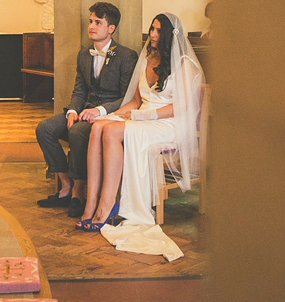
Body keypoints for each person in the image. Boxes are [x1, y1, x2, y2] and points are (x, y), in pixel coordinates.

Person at [76, 13, 204, 260]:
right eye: (151, 29)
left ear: (169, 35)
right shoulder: (148, 57)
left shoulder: (185, 64)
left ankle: (108, 203)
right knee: (99, 127)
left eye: (157, 31)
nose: (152, 35)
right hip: (142, 115)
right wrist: (112, 115)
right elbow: (135, 101)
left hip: (168, 123)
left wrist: (146, 117)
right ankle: (90, 203)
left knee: (112, 131)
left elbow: (183, 106)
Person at [35, 2, 138, 218]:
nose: (91, 26)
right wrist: (73, 110)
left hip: (108, 117)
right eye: (91, 21)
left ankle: (78, 192)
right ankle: (65, 186)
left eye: (98, 22)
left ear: (111, 28)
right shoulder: (84, 55)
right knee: (45, 129)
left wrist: (100, 111)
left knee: (77, 132)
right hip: (82, 113)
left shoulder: (126, 56)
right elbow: (79, 89)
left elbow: (127, 98)